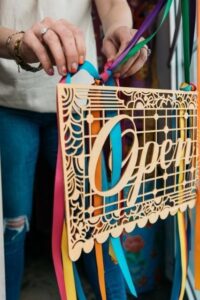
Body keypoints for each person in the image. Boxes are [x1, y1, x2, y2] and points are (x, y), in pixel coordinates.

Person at [0, 0, 148, 299]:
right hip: (8, 100)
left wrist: (119, 29)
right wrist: (15, 43)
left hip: (77, 103)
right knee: (11, 227)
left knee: (94, 222)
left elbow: (112, 4)